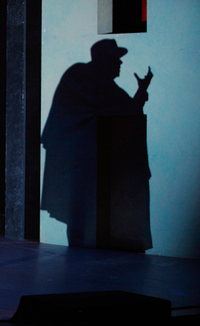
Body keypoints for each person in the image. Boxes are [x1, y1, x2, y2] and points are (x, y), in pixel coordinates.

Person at [41, 39, 153, 251]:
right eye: (116, 59)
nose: (120, 64)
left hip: (92, 165)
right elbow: (121, 111)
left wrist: (141, 90)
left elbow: (125, 111)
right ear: (104, 61)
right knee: (81, 215)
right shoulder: (85, 78)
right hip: (83, 164)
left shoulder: (100, 83)